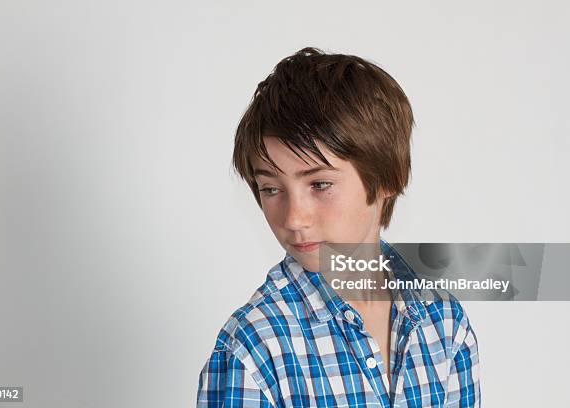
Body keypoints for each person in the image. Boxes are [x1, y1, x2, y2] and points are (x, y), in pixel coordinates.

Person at [197, 47, 480, 407]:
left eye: (319, 185)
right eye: (271, 189)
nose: (294, 218)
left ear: (387, 179)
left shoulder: (444, 323)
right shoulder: (253, 349)